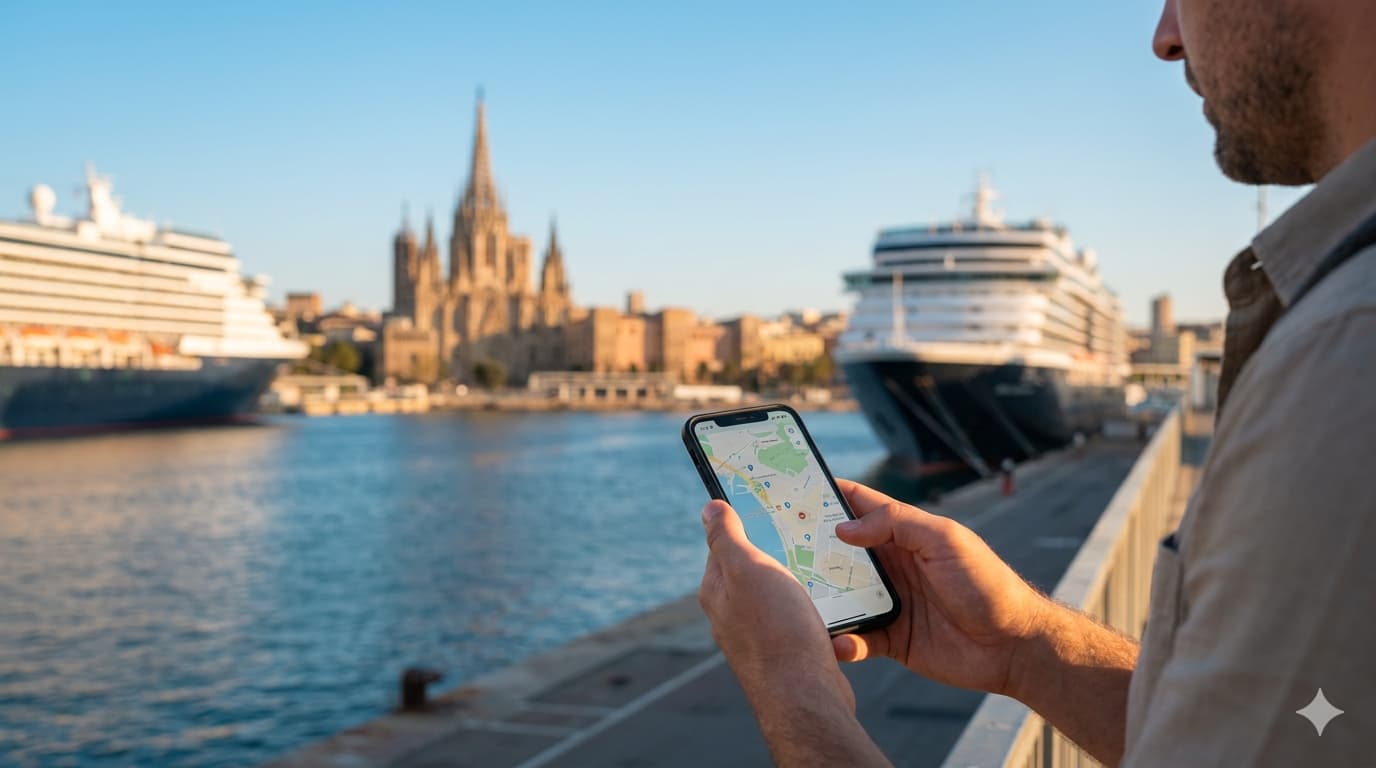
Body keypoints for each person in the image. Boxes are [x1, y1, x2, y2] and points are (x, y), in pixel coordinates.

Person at [698, 0, 1376, 764]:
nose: (1165, 37)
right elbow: (1264, 734)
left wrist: (791, 690)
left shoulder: (1348, 349)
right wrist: (1024, 644)